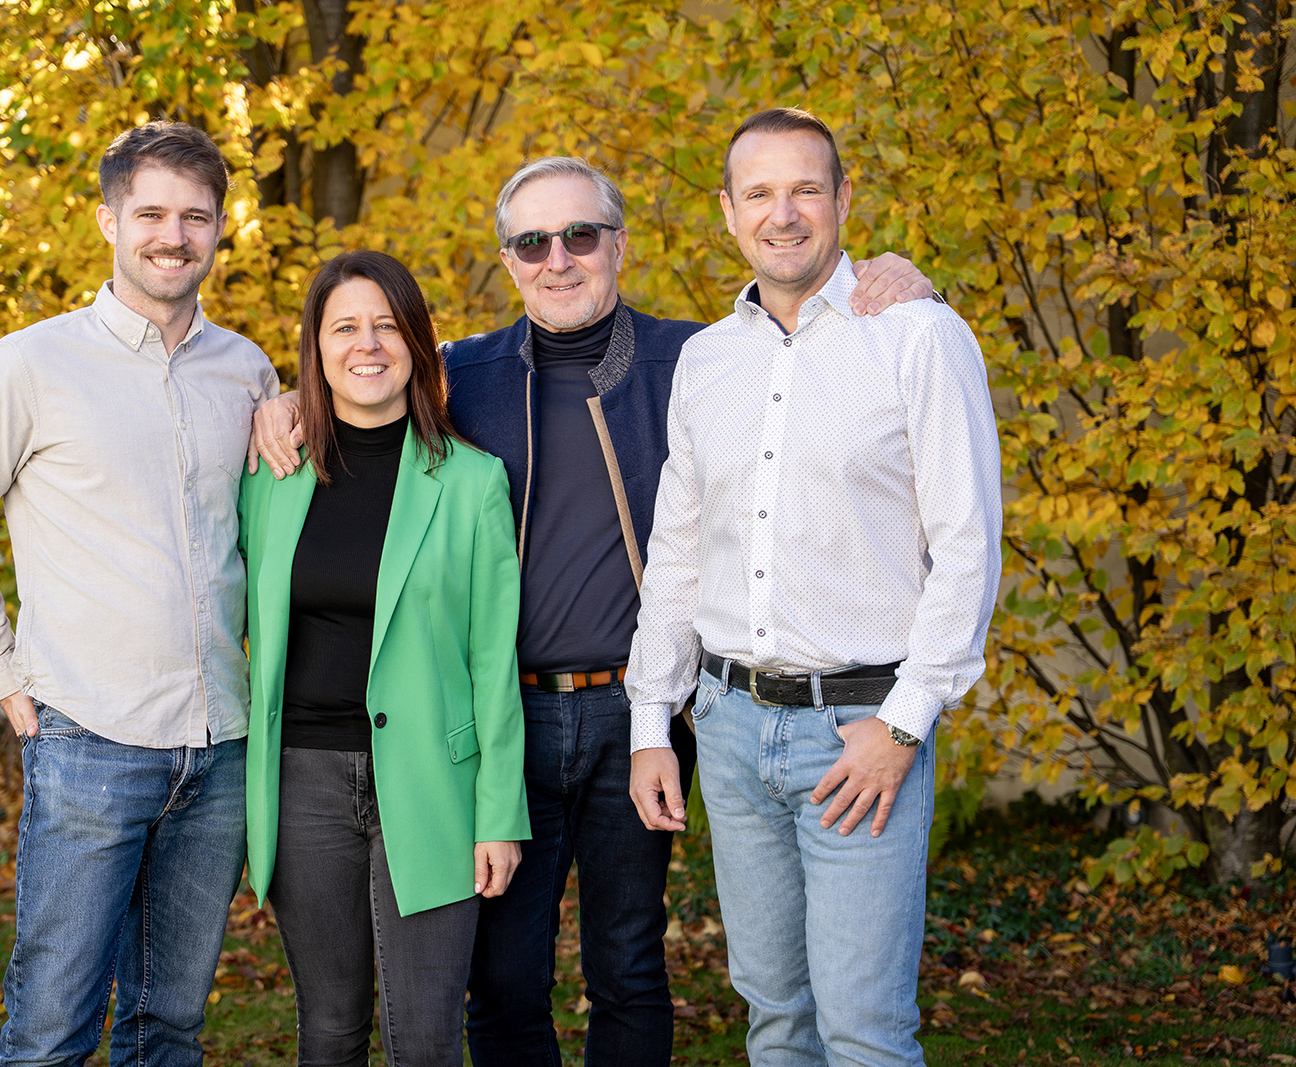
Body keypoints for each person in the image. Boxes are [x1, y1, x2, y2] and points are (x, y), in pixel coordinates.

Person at [249, 157, 937, 1067]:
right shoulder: (465, 372)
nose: (558, 259)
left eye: (580, 235)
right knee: (500, 980)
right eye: (533, 241)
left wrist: (900, 278)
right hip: (503, 719)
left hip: (636, 713)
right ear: (508, 258)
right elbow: (367, 386)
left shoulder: (698, 360)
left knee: (628, 964)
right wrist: (292, 400)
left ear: (617, 243)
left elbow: (804, 340)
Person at [626, 107, 1002, 1066]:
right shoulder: (707, 361)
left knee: (864, 1031)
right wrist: (652, 724)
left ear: (843, 200)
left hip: (863, 733)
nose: (783, 213)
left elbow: (967, 549)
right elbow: (677, 550)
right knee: (777, 1018)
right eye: (759, 193)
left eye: (805, 189)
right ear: (728, 212)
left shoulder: (919, 337)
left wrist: (905, 723)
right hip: (733, 728)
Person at [0, 121, 278, 1067]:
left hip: (220, 748)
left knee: (170, 1030)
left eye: (195, 216)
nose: (174, 235)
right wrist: (1, 671)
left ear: (218, 227)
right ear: (108, 220)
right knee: (49, 1030)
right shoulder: (29, 364)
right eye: (152, 213)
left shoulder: (246, 370)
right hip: (88, 737)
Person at [238, 250, 530, 1067]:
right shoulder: (269, 474)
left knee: (427, 1038)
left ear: (418, 342)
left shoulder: (472, 482)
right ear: (316, 348)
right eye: (344, 327)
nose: (367, 344)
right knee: (328, 1031)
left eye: (386, 324)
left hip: (434, 782)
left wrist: (499, 814)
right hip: (304, 784)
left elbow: (492, 659)